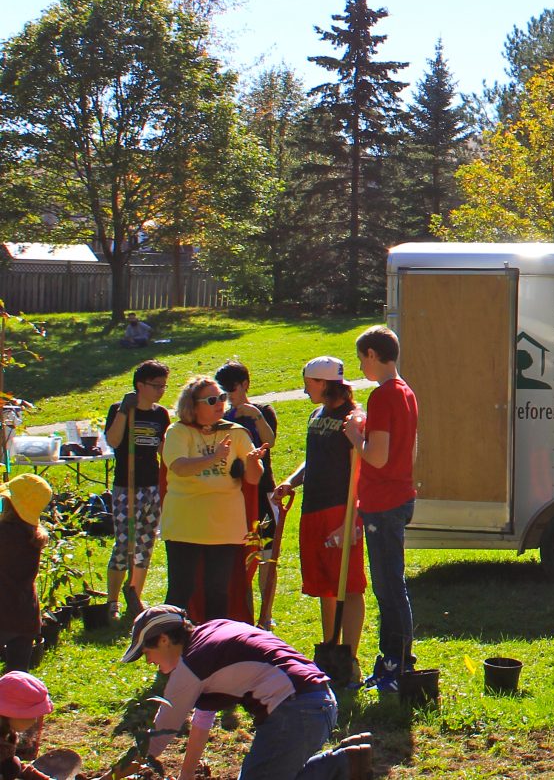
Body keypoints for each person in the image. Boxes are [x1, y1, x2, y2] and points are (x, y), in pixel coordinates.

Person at [121, 605, 367, 780]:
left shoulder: (192, 665)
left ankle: (344, 764)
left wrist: (110, 777)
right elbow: (202, 718)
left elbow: (157, 740)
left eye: (147, 653)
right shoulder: (212, 632)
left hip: (296, 712)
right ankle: (346, 760)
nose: (149, 662)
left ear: (164, 640)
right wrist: (186, 776)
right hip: (319, 702)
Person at [274, 358, 366, 668]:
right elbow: (312, 459)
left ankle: (349, 656)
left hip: (339, 510)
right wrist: (291, 481)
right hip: (312, 508)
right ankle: (330, 646)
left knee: (349, 585)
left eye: (308, 384)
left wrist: (351, 520)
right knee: (325, 585)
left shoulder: (353, 418)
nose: (304, 390)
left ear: (324, 383)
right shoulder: (316, 415)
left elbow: (359, 470)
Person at [161, 377, 265, 620]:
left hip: (224, 525)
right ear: (192, 405)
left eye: (222, 398)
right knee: (181, 590)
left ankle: (214, 640)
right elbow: (179, 467)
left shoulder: (235, 432)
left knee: (218, 592)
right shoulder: (178, 431)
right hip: (185, 524)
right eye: (211, 400)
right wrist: (214, 458)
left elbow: (253, 479)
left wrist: (252, 462)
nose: (219, 403)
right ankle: (171, 638)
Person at [350, 325, 418, 694]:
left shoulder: (383, 396)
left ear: (374, 355)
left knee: (389, 587)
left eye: (362, 359)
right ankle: (394, 659)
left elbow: (376, 456)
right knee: (391, 584)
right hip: (400, 495)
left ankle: (398, 662)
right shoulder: (406, 391)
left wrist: (354, 436)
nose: (361, 367)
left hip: (384, 501)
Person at [217, 362, 281, 626]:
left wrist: (255, 416)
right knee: (240, 558)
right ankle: (243, 615)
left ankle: (266, 615)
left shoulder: (263, 411)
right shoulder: (222, 416)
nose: (228, 396)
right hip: (234, 494)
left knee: (267, 554)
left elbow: (270, 441)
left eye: (231, 389)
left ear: (244, 385)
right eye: (223, 391)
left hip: (262, 492)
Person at [104, 360, 170, 618]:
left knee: (144, 544)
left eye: (164, 386)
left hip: (151, 485)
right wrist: (123, 411)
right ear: (140, 386)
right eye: (156, 385)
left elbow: (164, 449)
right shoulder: (119, 410)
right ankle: (112, 602)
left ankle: (135, 598)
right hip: (126, 487)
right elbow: (113, 441)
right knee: (124, 545)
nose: (161, 390)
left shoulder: (160, 414)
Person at [0, 477, 50, 672]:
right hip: (26, 614)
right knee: (18, 674)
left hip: (3, 611)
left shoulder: (4, 533)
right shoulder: (36, 536)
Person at [0, 670, 53, 780]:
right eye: (31, 716)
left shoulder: (6, 733)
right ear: (11, 713)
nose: (35, 721)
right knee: (10, 767)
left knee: (12, 766)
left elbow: (7, 760)